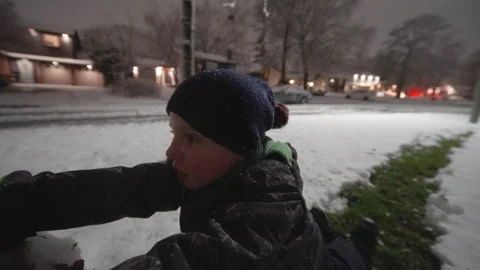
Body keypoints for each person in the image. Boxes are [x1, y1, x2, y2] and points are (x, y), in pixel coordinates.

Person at [0, 69, 377, 270]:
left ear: (237, 148)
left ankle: (358, 242)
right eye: (174, 134)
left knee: (343, 258)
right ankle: (321, 228)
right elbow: (122, 187)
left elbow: (201, 259)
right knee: (316, 230)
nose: (172, 151)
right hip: (293, 239)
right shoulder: (205, 170)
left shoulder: (269, 203)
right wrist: (28, 201)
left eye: (192, 138)